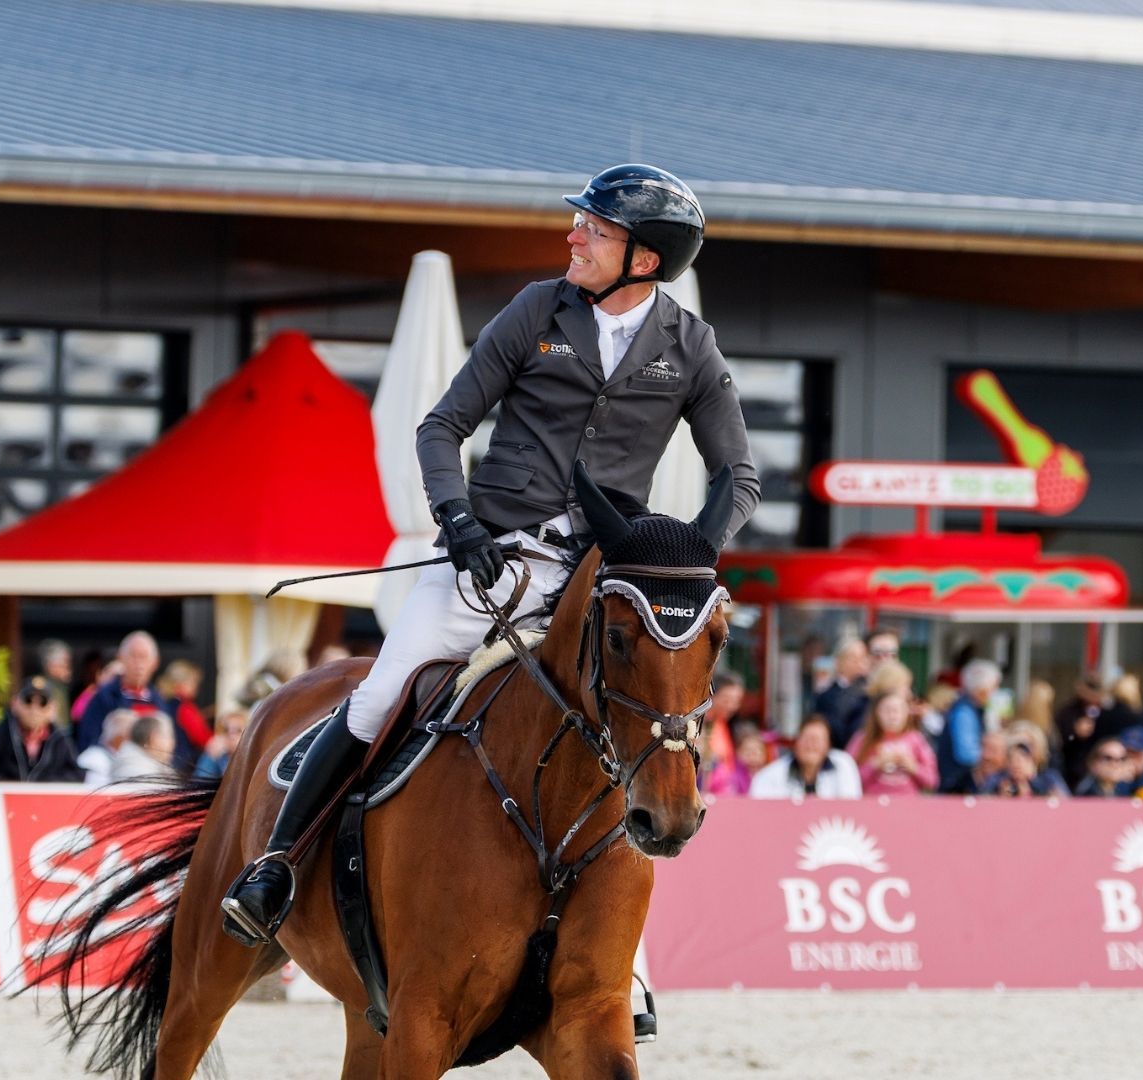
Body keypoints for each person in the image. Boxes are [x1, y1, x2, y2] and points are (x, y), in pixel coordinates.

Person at [223, 164, 760, 947]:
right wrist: (458, 518)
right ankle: (276, 867)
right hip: (490, 559)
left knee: (624, 742)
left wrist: (692, 547)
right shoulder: (535, 310)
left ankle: (625, 961)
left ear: (643, 259)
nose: (575, 235)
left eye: (597, 231)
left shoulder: (689, 344)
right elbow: (441, 427)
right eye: (582, 225)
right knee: (378, 696)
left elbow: (738, 474)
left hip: (597, 580)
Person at [0, 676, 84, 783]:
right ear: (15, 703)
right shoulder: (0, 734)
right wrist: (7, 786)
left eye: (42, 702)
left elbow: (77, 775)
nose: (34, 709)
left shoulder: (60, 739)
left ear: (53, 709)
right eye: (28, 700)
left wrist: (42, 787)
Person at [74, 632, 174, 751]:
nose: (138, 664)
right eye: (133, 656)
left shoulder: (159, 701)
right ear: (121, 658)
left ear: (155, 662)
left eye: (144, 657)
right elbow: (89, 741)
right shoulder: (103, 697)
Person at [847, 689, 938, 798]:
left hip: (908, 806)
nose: (892, 715)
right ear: (876, 713)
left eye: (897, 710)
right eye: (886, 710)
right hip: (872, 805)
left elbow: (932, 781)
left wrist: (912, 767)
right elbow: (848, 779)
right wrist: (875, 765)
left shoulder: (916, 739)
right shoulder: (862, 739)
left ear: (907, 713)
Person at [749, 716, 860, 799]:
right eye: (806, 739)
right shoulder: (770, 775)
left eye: (817, 740)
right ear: (796, 743)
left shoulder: (843, 765)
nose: (811, 745)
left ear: (828, 745)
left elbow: (851, 806)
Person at [935, 658, 999, 792]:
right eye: (994, 686)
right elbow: (966, 754)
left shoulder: (969, 708)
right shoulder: (964, 712)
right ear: (983, 689)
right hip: (957, 786)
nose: (995, 692)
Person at [812, 638, 871, 749]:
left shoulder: (871, 691)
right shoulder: (826, 696)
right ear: (838, 661)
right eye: (853, 658)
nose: (859, 663)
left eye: (863, 658)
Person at [983, 723, 1067, 798]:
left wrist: (1033, 782)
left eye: (1025, 749)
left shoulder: (1049, 778)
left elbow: (1065, 804)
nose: (1019, 757)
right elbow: (982, 801)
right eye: (1015, 746)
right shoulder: (997, 779)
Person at [158, 658, 213, 767]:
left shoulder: (162, 702)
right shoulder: (185, 708)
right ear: (180, 684)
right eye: (193, 682)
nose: (196, 687)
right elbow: (204, 739)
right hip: (184, 764)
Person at [702, 718, 766, 798]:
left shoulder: (768, 778)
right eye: (748, 752)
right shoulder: (730, 779)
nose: (754, 758)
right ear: (737, 752)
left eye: (758, 752)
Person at [78, 708, 139, 790]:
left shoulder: (128, 757)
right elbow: (94, 792)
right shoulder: (93, 759)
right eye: (133, 735)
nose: (137, 740)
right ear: (120, 737)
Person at [112, 713, 177, 782]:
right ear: (154, 738)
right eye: (169, 737)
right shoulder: (138, 772)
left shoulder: (148, 767)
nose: (173, 743)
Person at [194, 708, 250, 780]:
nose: (231, 734)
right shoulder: (218, 756)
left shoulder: (249, 760)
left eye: (238, 730)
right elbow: (200, 784)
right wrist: (211, 756)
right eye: (226, 730)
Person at [1072, 736, 1137, 798]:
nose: (1115, 764)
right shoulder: (1087, 793)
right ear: (1092, 762)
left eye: (1122, 759)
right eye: (1108, 758)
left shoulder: (1121, 789)